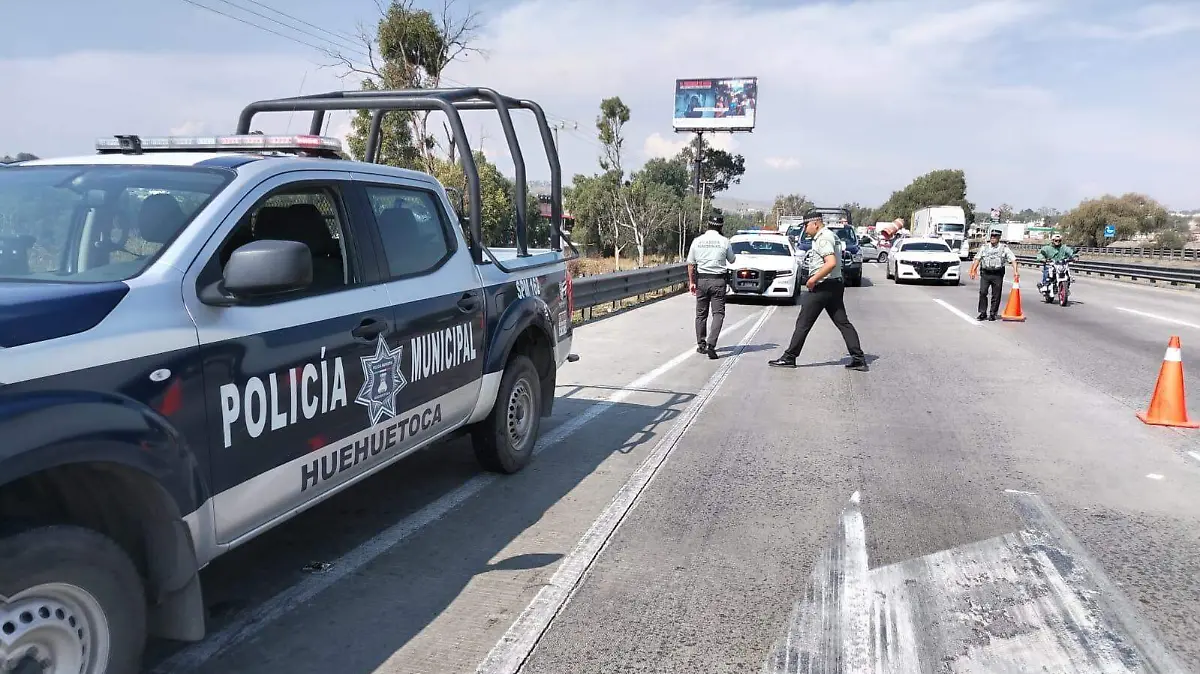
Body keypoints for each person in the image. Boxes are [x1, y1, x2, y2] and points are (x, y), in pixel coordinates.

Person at [768, 214, 867, 370]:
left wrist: (813, 280)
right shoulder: (829, 235)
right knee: (842, 322)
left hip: (823, 286)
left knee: (803, 322)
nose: (805, 230)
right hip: (834, 285)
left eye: (806, 226)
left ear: (815, 224)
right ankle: (858, 358)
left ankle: (790, 356)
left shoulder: (823, 238)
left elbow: (831, 263)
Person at [687, 215, 736, 360]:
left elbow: (691, 264)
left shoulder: (697, 241)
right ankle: (711, 345)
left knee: (701, 314)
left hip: (701, 280)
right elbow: (732, 260)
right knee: (718, 314)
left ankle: (701, 344)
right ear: (721, 226)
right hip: (718, 281)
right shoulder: (724, 241)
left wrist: (692, 282)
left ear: (707, 225)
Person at [968, 229, 1020, 321]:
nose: (993, 238)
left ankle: (993, 313)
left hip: (997, 274)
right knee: (983, 292)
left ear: (999, 238)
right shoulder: (984, 247)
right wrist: (973, 270)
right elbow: (977, 258)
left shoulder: (1004, 248)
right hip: (985, 273)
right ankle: (982, 313)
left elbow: (1013, 260)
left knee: (996, 294)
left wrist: (1015, 271)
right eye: (991, 236)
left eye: (995, 236)